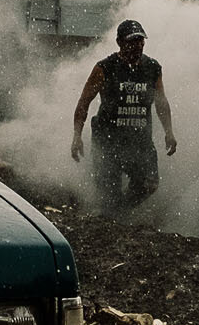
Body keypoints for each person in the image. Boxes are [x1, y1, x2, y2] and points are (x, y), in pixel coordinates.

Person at [70, 19, 176, 215]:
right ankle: (108, 220)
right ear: (119, 42)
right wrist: (77, 136)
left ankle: (119, 212)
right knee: (109, 194)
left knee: (149, 184)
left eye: (140, 41)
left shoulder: (152, 68)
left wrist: (169, 132)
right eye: (132, 41)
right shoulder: (105, 68)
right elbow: (83, 103)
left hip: (140, 140)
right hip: (108, 140)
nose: (137, 46)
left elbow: (161, 102)